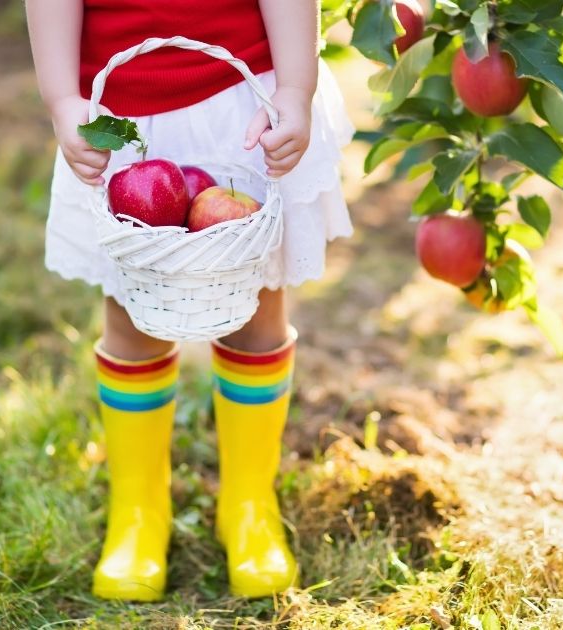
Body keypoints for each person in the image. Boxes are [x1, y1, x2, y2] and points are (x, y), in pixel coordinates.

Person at [25, 0, 353, 601]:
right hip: (125, 119)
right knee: (135, 314)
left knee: (256, 309)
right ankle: (138, 514)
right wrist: (63, 102)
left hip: (243, 102)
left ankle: (249, 505)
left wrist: (297, 90)